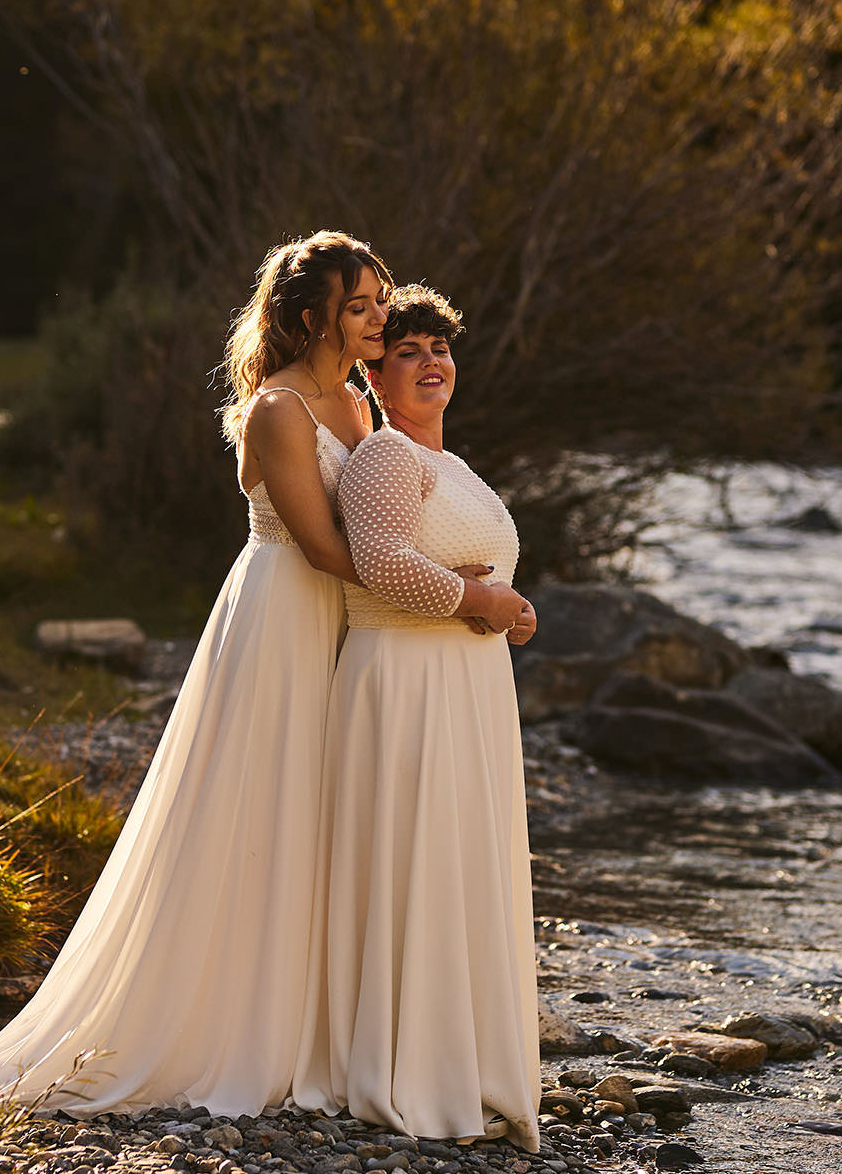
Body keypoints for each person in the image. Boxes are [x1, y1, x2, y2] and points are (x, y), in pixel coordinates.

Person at [0, 231, 421, 1145]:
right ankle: (228, 1025)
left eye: (381, 299)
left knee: (323, 808)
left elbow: (387, 514)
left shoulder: (358, 401)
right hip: (283, 614)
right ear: (312, 318)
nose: (381, 316)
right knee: (259, 807)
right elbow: (328, 546)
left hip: (342, 617)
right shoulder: (280, 410)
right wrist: (444, 599)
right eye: (362, 304)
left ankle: (312, 1023)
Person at [293, 284, 542, 1151]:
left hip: (466, 688)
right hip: (404, 686)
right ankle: (404, 1066)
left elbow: (471, 571)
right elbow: (385, 566)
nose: (432, 362)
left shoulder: (455, 465)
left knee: (460, 861)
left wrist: (510, 608)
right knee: (416, 858)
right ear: (374, 372)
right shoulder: (387, 458)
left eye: (440, 347)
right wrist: (481, 595)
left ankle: (460, 1057)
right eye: (408, 351)